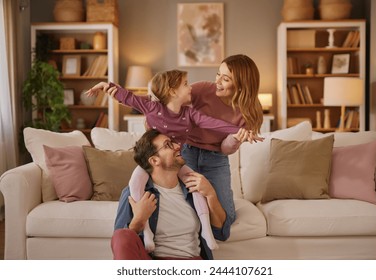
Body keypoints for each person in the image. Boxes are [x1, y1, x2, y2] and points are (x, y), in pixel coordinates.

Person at [86, 69, 257, 252]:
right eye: (185, 84)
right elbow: (128, 97)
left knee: (196, 188)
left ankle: (207, 230)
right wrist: (106, 86)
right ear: (173, 91)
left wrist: (239, 130)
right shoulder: (153, 107)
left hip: (176, 160)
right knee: (134, 184)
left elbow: (212, 123)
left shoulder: (189, 114)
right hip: (152, 160)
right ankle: (147, 231)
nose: (190, 87)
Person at [111, 129, 229, 260]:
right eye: (168, 145)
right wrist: (139, 219)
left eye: (174, 142)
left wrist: (211, 194)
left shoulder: (195, 189)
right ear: (154, 160)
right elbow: (122, 243)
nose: (178, 146)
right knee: (121, 236)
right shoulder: (135, 194)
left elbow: (222, 233)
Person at [181, 54, 263, 234]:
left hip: (216, 159)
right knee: (184, 208)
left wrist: (235, 138)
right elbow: (174, 105)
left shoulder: (249, 112)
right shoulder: (202, 89)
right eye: (218, 74)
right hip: (186, 151)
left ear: (242, 85)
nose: (217, 81)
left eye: (225, 79)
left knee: (226, 219)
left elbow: (225, 149)